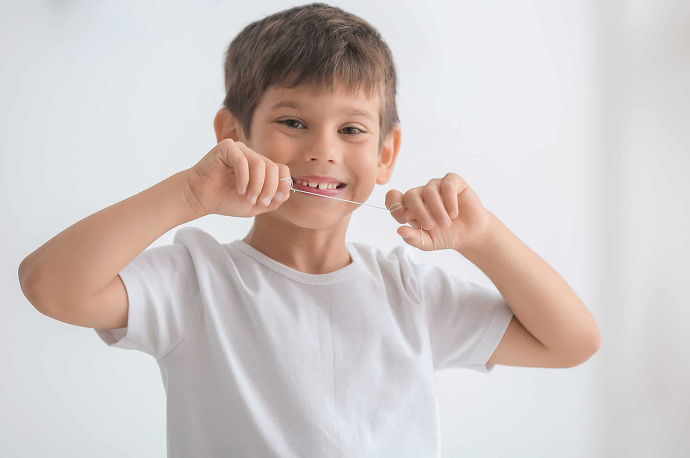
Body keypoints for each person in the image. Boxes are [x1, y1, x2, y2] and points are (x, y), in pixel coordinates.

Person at [18, 3, 601, 456]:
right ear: (232, 134)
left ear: (385, 154)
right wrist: (191, 194)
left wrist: (484, 238)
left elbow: (572, 342)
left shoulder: (410, 293)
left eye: (351, 130)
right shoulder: (196, 281)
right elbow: (51, 285)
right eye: (293, 121)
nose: (322, 151)